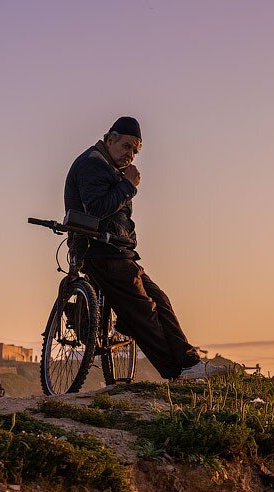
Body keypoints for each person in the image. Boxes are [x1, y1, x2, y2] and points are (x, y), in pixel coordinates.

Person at [64, 117, 201, 380]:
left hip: (119, 251)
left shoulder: (110, 167)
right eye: (126, 146)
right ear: (110, 138)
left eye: (135, 151)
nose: (130, 155)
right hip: (101, 252)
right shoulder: (93, 164)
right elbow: (96, 208)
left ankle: (189, 363)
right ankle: (175, 372)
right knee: (143, 310)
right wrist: (128, 186)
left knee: (160, 300)